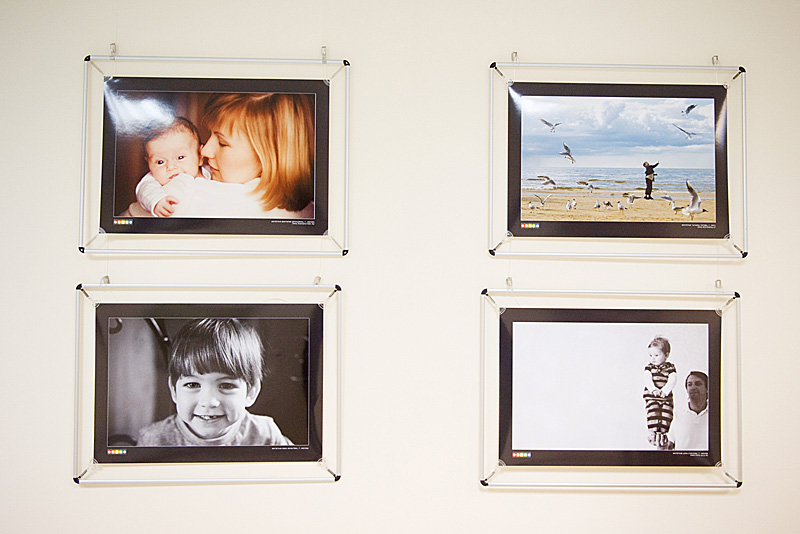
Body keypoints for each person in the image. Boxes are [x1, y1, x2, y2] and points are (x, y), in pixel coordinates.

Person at [123, 92, 315, 218]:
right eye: (211, 135)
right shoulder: (309, 210)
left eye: (222, 143)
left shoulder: (188, 195)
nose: (205, 151)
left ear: (269, 156)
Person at [137, 318, 293, 446]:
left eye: (226, 385)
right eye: (193, 385)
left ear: (251, 392)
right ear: (174, 390)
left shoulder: (265, 434)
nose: (209, 402)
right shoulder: (154, 440)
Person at [134, 117, 211, 217]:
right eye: (160, 162)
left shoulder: (210, 172)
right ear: (148, 163)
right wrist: (157, 201)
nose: (171, 167)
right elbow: (145, 191)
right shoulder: (152, 180)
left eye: (180, 157)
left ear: (200, 156)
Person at [643, 335, 677, 448]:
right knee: (653, 412)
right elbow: (647, 380)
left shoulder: (670, 367)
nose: (653, 358)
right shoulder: (649, 367)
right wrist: (653, 390)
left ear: (666, 355)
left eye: (656, 355)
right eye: (651, 355)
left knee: (666, 414)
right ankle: (653, 433)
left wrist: (665, 391)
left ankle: (663, 434)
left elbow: (672, 379)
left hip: (665, 397)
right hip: (652, 396)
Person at [667, 371, 709, 450]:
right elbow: (669, 446)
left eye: (698, 384)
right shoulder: (678, 414)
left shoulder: (716, 414)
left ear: (707, 389)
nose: (693, 387)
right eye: (689, 384)